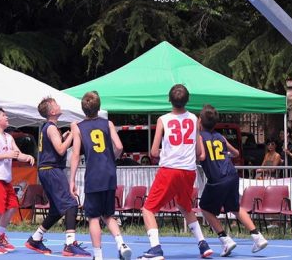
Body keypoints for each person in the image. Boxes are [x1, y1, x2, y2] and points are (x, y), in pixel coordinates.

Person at [136, 84, 213, 260]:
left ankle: (155, 249)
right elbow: (199, 152)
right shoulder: (194, 119)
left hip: (170, 169)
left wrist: (167, 152)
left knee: (148, 209)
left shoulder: (163, 119)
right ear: (187, 100)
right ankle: (203, 244)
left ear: (169, 99)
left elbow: (154, 152)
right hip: (188, 170)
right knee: (185, 207)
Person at [197, 104, 268, 256]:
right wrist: (224, 154)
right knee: (235, 207)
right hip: (232, 175)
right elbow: (235, 153)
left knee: (205, 208)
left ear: (199, 121)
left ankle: (225, 239)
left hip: (217, 178)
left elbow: (201, 156)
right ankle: (257, 236)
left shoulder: (199, 138)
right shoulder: (220, 137)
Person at [69, 91, 132, 260]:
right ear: (99, 108)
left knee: (93, 218)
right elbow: (119, 146)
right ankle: (121, 243)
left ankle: (98, 256)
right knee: (108, 214)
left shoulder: (78, 127)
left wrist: (72, 180)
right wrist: (111, 158)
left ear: (83, 109)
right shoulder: (108, 123)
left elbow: (75, 154)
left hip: (94, 175)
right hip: (109, 173)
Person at [25, 97, 90, 256]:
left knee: (56, 209)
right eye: (57, 105)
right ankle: (69, 244)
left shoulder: (49, 128)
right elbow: (61, 150)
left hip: (47, 170)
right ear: (53, 111)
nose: (60, 106)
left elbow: (55, 147)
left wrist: (65, 136)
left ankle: (35, 238)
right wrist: (72, 135)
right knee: (71, 203)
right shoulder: (51, 127)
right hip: (51, 169)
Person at [0, 107, 35, 254]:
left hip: (4, 179)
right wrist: (6, 155)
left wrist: (28, 157)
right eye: (4, 115)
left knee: (12, 206)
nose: (7, 117)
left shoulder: (8, 137)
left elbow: (17, 154)